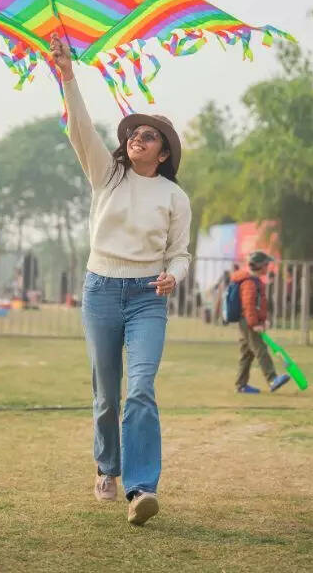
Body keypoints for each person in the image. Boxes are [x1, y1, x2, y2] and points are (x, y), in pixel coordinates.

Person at [53, 35, 191, 526]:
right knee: (106, 393)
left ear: (163, 152)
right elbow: (81, 129)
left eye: (150, 136)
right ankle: (106, 467)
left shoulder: (174, 197)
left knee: (140, 388)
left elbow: (180, 253)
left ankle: (141, 488)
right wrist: (68, 74)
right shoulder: (106, 175)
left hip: (148, 297)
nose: (139, 138)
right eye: (135, 133)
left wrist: (173, 276)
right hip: (101, 291)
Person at [232, 251, 292, 394]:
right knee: (261, 350)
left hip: (248, 321)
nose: (268, 267)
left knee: (247, 354)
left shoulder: (254, 281)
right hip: (248, 322)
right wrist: (255, 324)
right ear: (260, 266)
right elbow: (249, 305)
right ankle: (272, 379)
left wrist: (263, 321)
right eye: (266, 264)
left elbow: (257, 305)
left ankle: (241, 385)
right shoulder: (249, 283)